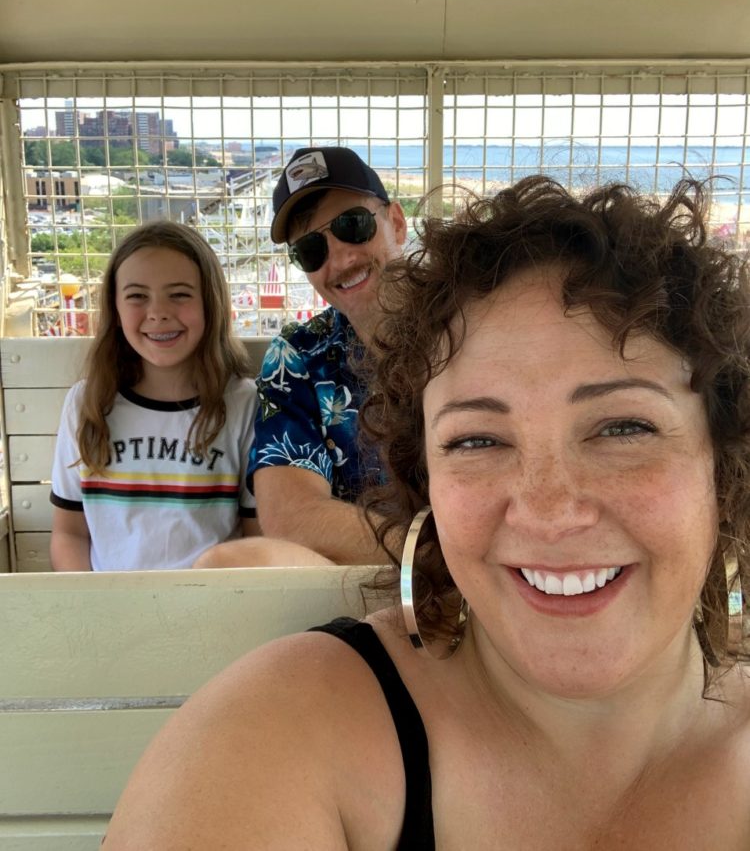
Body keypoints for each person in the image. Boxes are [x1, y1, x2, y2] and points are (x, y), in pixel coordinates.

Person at [102, 176, 750, 848]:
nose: (550, 511)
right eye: (477, 440)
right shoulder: (283, 734)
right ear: (426, 485)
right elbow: (289, 513)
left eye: (621, 428)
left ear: (724, 464)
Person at [195, 146, 408, 569]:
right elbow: (290, 514)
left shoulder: (469, 326)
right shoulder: (299, 357)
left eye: (353, 225)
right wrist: (437, 557)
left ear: (397, 224)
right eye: (311, 250)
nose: (341, 259)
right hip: (371, 584)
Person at [50, 220, 259, 571]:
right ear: (115, 310)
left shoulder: (243, 403)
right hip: (115, 612)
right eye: (137, 296)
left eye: (179, 294)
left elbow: (256, 538)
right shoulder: (87, 403)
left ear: (210, 303)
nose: (158, 312)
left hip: (212, 611)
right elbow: (69, 533)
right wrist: (87, 607)